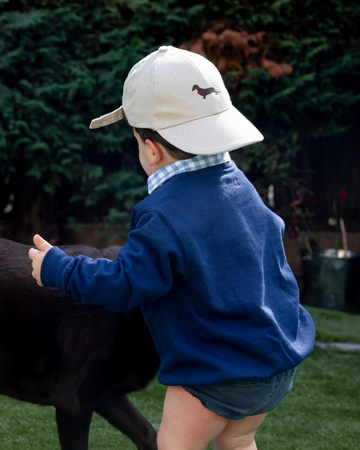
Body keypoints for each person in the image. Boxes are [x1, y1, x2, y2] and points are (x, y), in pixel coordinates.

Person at [29, 45, 315, 450]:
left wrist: (59, 268)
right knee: (238, 440)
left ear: (150, 149)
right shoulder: (239, 186)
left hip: (215, 375)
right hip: (277, 361)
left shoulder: (162, 214)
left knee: (174, 445)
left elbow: (124, 282)